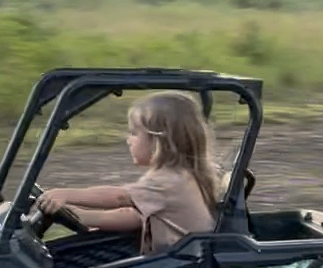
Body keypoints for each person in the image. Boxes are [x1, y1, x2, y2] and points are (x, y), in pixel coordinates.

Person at [37, 92, 218, 254]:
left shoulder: (169, 181)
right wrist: (82, 216)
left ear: (159, 141)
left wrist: (67, 195)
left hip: (182, 267)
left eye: (134, 133)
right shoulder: (180, 175)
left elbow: (119, 197)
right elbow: (134, 216)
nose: (128, 140)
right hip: (182, 261)